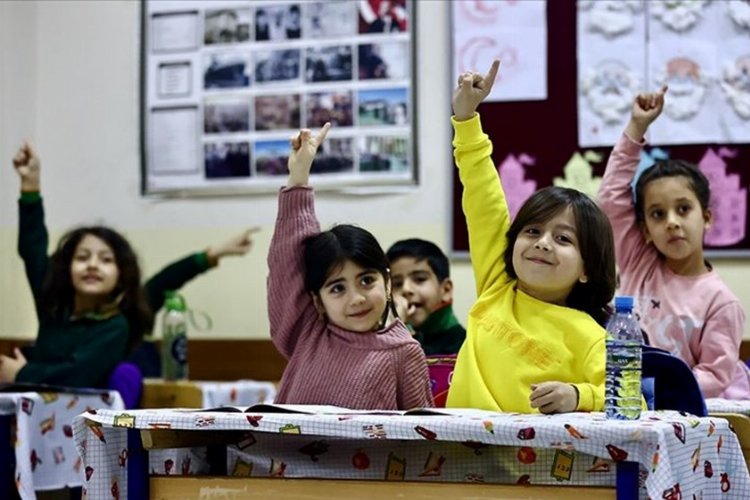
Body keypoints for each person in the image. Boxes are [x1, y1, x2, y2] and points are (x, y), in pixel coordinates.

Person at [1, 142, 257, 387]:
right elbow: (32, 248)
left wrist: (24, 372)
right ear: (66, 269)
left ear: (121, 275)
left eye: (106, 260)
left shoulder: (117, 325)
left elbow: (76, 374)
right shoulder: (53, 305)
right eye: (82, 257)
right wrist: (30, 184)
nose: (92, 265)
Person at [446, 60, 616, 414]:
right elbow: (483, 197)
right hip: (455, 459)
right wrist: (466, 120)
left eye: (564, 239)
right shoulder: (497, 285)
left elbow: (634, 401)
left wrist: (578, 395)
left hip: (530, 468)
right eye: (533, 231)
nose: (542, 243)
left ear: (587, 269)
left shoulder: (589, 335)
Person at [267, 123, 433, 410]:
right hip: (283, 457)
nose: (356, 298)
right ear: (317, 301)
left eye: (367, 281)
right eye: (337, 288)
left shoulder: (404, 352)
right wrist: (298, 177)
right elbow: (287, 263)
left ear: (388, 283)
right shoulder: (308, 332)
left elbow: (422, 437)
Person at [598, 87, 750, 399]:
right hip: (629, 404)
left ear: (706, 217)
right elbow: (611, 197)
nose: (671, 221)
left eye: (683, 209)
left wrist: (652, 390)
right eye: (657, 213)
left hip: (683, 417)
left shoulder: (721, 302)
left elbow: (714, 376)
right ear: (645, 230)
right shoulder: (638, 261)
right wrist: (636, 128)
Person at [386, 239, 466, 355]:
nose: (406, 289)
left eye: (420, 279)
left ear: (446, 290)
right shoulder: (389, 338)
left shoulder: (466, 345)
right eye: (397, 284)